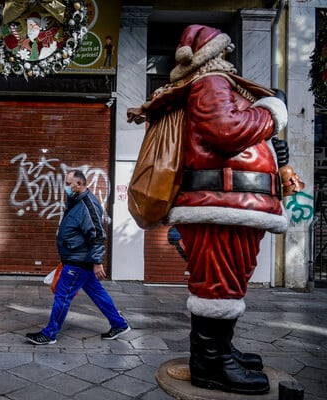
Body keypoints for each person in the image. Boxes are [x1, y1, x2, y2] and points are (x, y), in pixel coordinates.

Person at [129, 24, 289, 395]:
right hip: (219, 205)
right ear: (212, 54)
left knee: (229, 282)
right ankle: (211, 363)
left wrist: (268, 150)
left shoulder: (215, 84)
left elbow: (231, 137)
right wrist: (272, 114)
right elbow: (227, 131)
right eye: (224, 49)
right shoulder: (211, 82)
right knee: (219, 283)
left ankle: (220, 351)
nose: (229, 56)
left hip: (232, 205)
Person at [26, 169, 130, 345]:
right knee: (97, 293)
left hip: (79, 261)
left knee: (62, 296)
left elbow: (97, 234)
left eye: (68, 184)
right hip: (78, 258)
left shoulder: (88, 205)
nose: (65, 187)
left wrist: (98, 262)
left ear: (79, 184)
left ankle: (50, 333)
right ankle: (119, 324)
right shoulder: (75, 200)